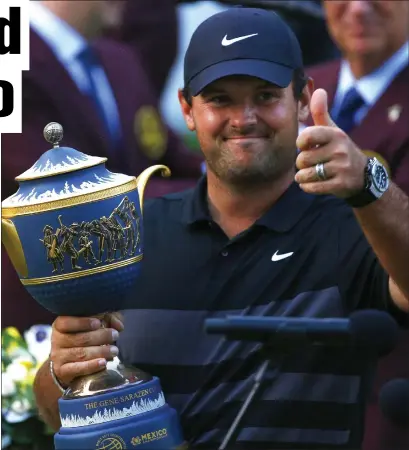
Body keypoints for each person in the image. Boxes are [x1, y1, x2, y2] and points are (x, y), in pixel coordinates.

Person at [33, 8, 409, 449]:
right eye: (220, 99)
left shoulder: (355, 226)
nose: (243, 118)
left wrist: (371, 185)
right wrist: (64, 369)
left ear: (304, 100)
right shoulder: (130, 234)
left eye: (266, 96)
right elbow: (58, 407)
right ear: (187, 110)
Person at [1, 0, 203, 331]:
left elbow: (169, 157)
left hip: (134, 318)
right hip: (38, 328)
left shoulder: (116, 58)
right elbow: (48, 195)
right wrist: (220, 195)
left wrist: (244, 174)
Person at [304, 2, 409, 449]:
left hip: (392, 388)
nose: (358, 8)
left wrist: (369, 182)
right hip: (297, 377)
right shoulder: (306, 86)